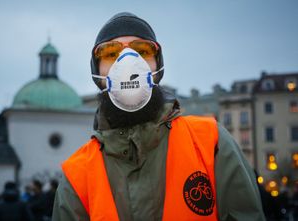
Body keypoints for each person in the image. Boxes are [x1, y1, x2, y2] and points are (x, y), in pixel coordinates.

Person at [52, 12, 265, 221]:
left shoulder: (210, 142)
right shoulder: (77, 174)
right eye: (110, 54)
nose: (127, 62)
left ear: (157, 67)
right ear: (97, 73)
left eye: (142, 51)